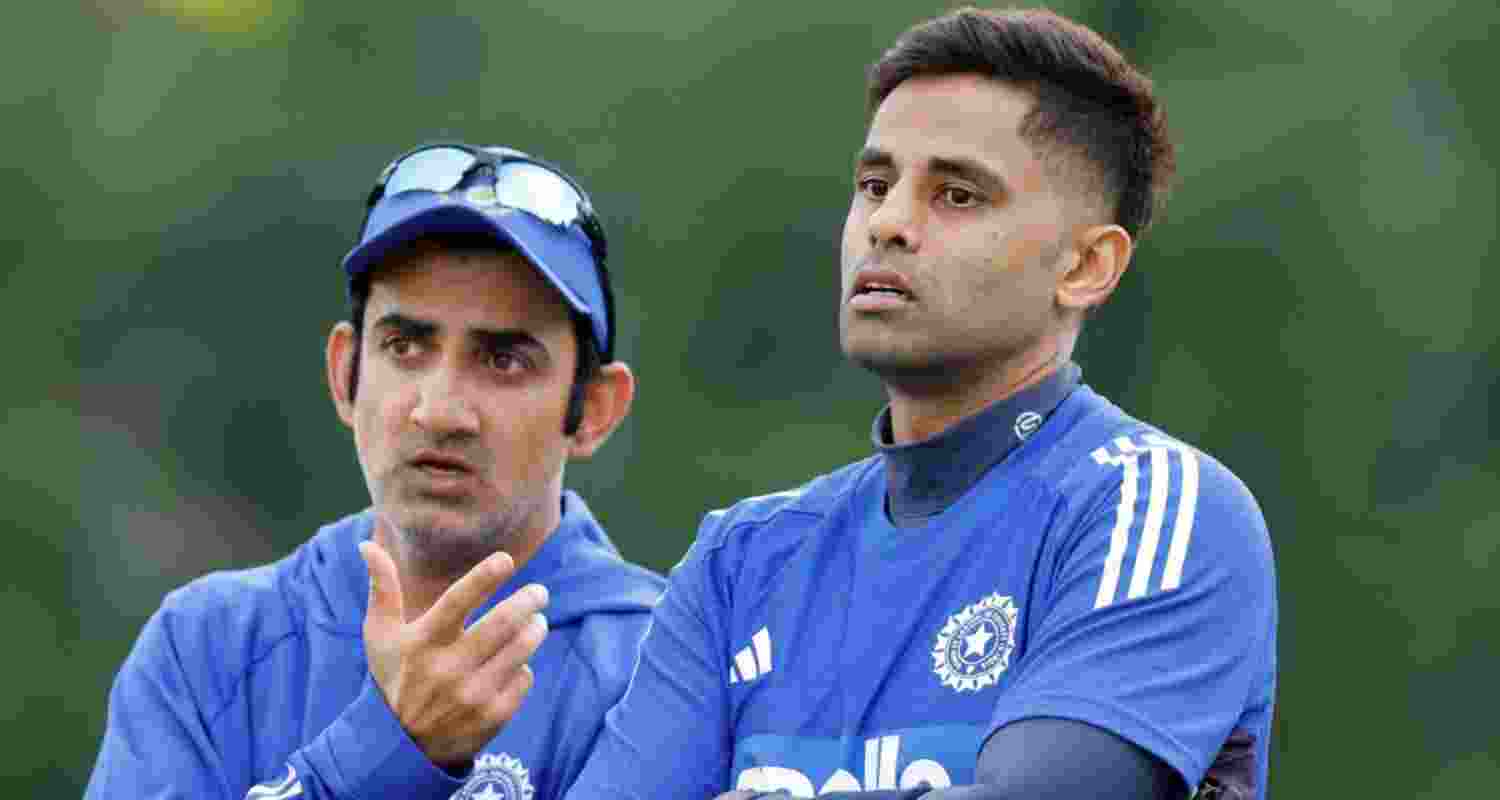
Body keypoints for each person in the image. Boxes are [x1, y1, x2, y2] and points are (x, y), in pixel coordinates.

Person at [567, 8, 1275, 800]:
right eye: (874, 185)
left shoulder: (1153, 508)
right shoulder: (741, 560)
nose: (889, 224)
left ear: (1085, 266)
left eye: (958, 195)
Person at [85, 143, 664, 800]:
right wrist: (389, 750)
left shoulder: (679, 670)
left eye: (504, 359)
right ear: (344, 374)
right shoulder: (209, 651)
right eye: (406, 346)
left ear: (592, 409)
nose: (441, 410)